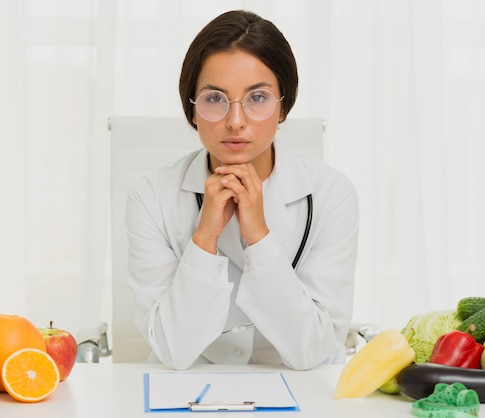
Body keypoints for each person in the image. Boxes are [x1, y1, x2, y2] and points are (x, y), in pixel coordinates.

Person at [125, 10, 358, 371]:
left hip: (301, 387)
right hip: (189, 386)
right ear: (192, 110)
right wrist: (205, 237)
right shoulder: (150, 196)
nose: (235, 121)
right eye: (215, 98)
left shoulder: (331, 194)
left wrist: (260, 236)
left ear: (284, 106)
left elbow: (312, 348)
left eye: (258, 98)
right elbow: (173, 349)